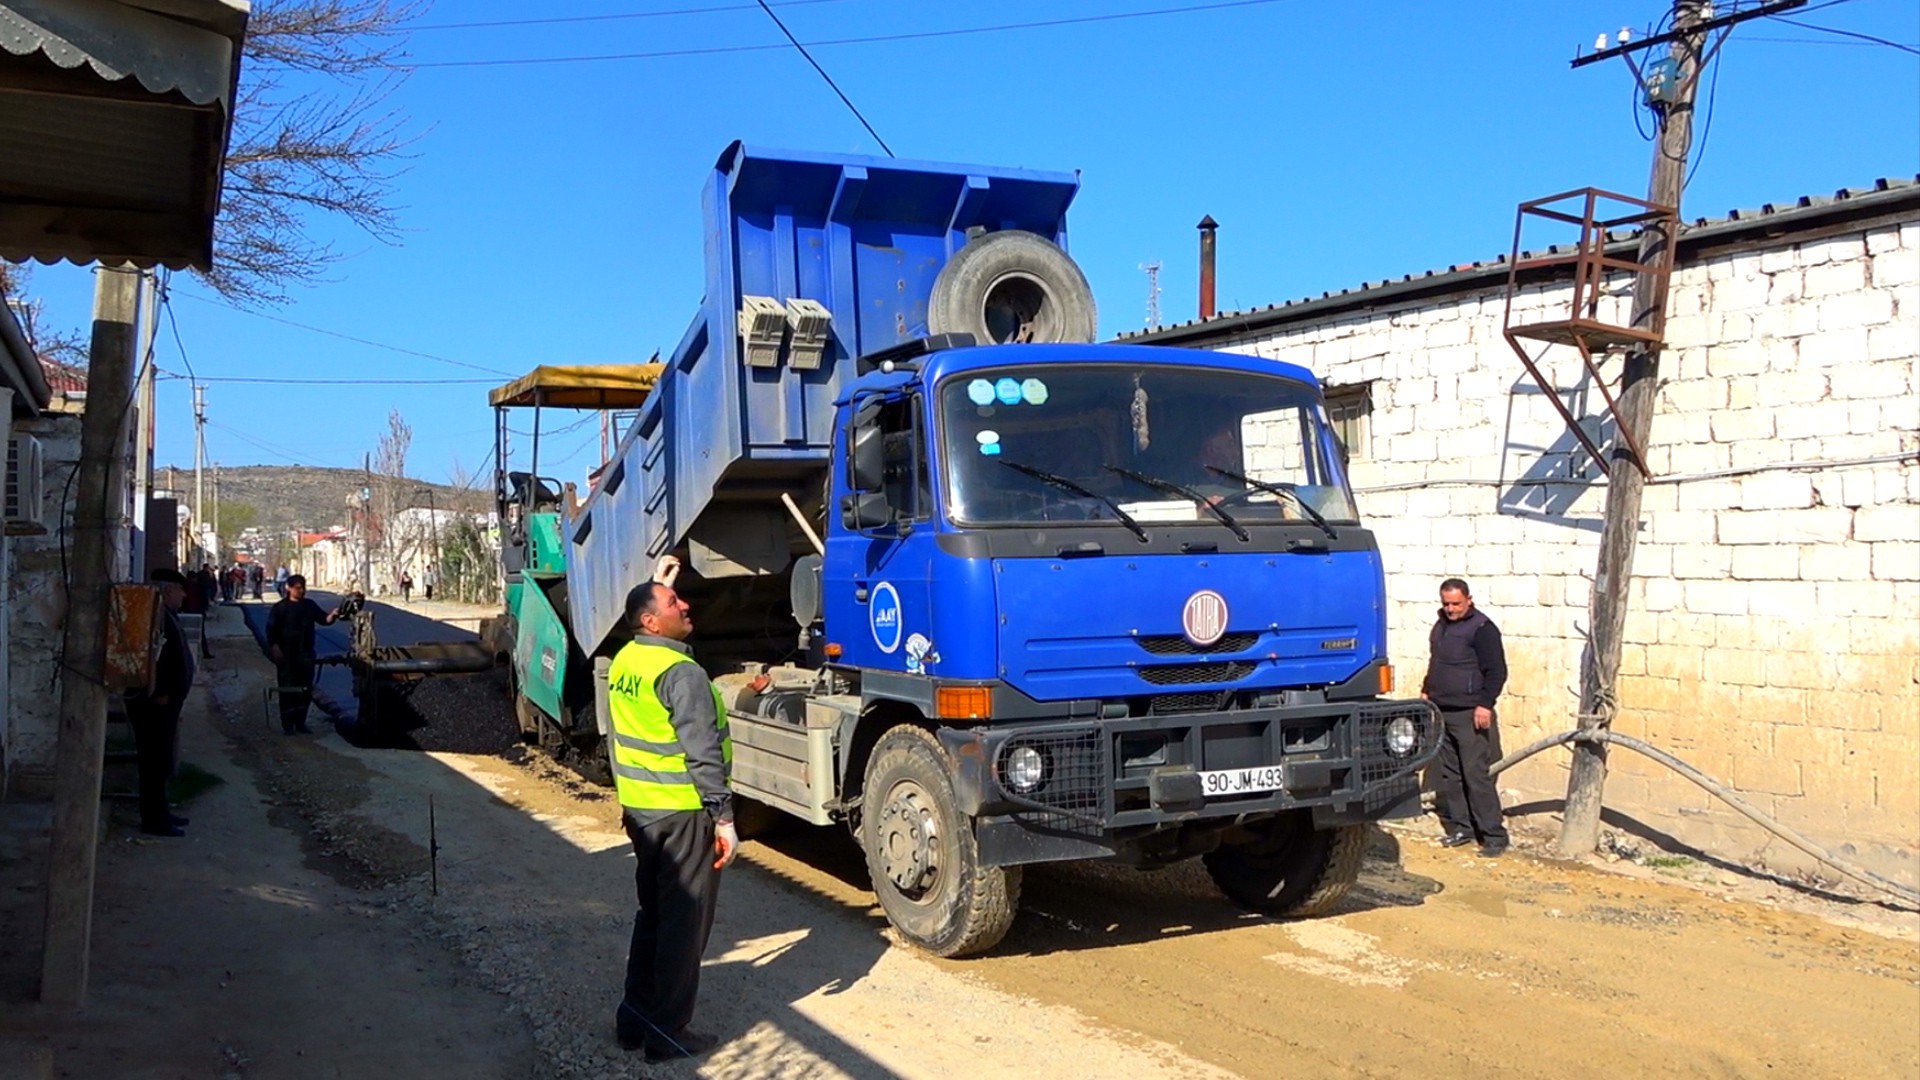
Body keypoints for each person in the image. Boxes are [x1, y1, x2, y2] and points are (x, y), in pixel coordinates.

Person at [609, 581, 736, 1062]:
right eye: (673, 602)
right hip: (684, 814)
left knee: (654, 918)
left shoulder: (627, 661)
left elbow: (620, 740)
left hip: (643, 813)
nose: (685, 605)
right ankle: (667, 1034)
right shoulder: (682, 673)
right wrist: (723, 817)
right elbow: (702, 753)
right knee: (684, 926)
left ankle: (633, 1021)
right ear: (650, 620)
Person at [1421, 577, 1510, 858]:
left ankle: (1494, 835)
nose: (1450, 609)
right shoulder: (1441, 626)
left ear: (1469, 599)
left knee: (1475, 774)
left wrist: (1485, 704)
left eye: (1456, 603)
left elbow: (1497, 670)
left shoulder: (1482, 628)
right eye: (1446, 603)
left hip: (1470, 713)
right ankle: (1462, 828)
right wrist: (1426, 690)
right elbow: (1437, 661)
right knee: (1451, 775)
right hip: (1441, 709)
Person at [125, 568, 195, 836]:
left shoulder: (166, 615)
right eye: (179, 590)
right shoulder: (155, 617)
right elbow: (157, 659)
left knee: (161, 760)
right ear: (168, 591)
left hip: (165, 704)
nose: (184, 595)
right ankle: (153, 819)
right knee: (153, 762)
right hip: (155, 704)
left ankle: (162, 812)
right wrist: (161, 691)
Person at [265, 574, 343, 735]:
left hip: (306, 654)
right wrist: (275, 648)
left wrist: (332, 615)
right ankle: (287, 724)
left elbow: (324, 619)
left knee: (305, 690)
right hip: (286, 656)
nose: (301, 591)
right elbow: (271, 630)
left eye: (303, 588)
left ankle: (300, 722)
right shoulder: (280, 608)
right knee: (287, 690)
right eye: (298, 588)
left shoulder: (309, 605)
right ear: (289, 587)